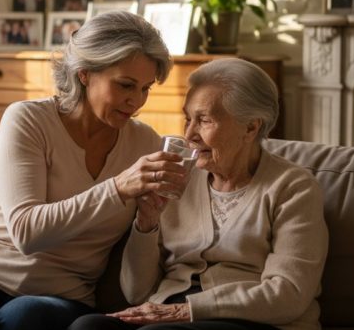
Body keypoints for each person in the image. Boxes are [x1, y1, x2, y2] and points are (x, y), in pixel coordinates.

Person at [0, 11, 187, 330]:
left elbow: (140, 282)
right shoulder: (28, 119)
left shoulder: (145, 143)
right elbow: (27, 233)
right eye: (125, 85)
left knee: (25, 318)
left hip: (61, 294)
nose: (136, 101)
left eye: (145, 88)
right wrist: (118, 188)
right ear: (85, 73)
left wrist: (147, 223)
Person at [70, 58, 329, 330]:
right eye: (188, 119)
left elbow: (289, 294)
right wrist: (146, 224)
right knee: (88, 326)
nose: (189, 134)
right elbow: (137, 293)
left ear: (251, 127)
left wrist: (185, 311)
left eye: (204, 120)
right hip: (168, 315)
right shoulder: (179, 178)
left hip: (250, 320)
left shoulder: (293, 187)